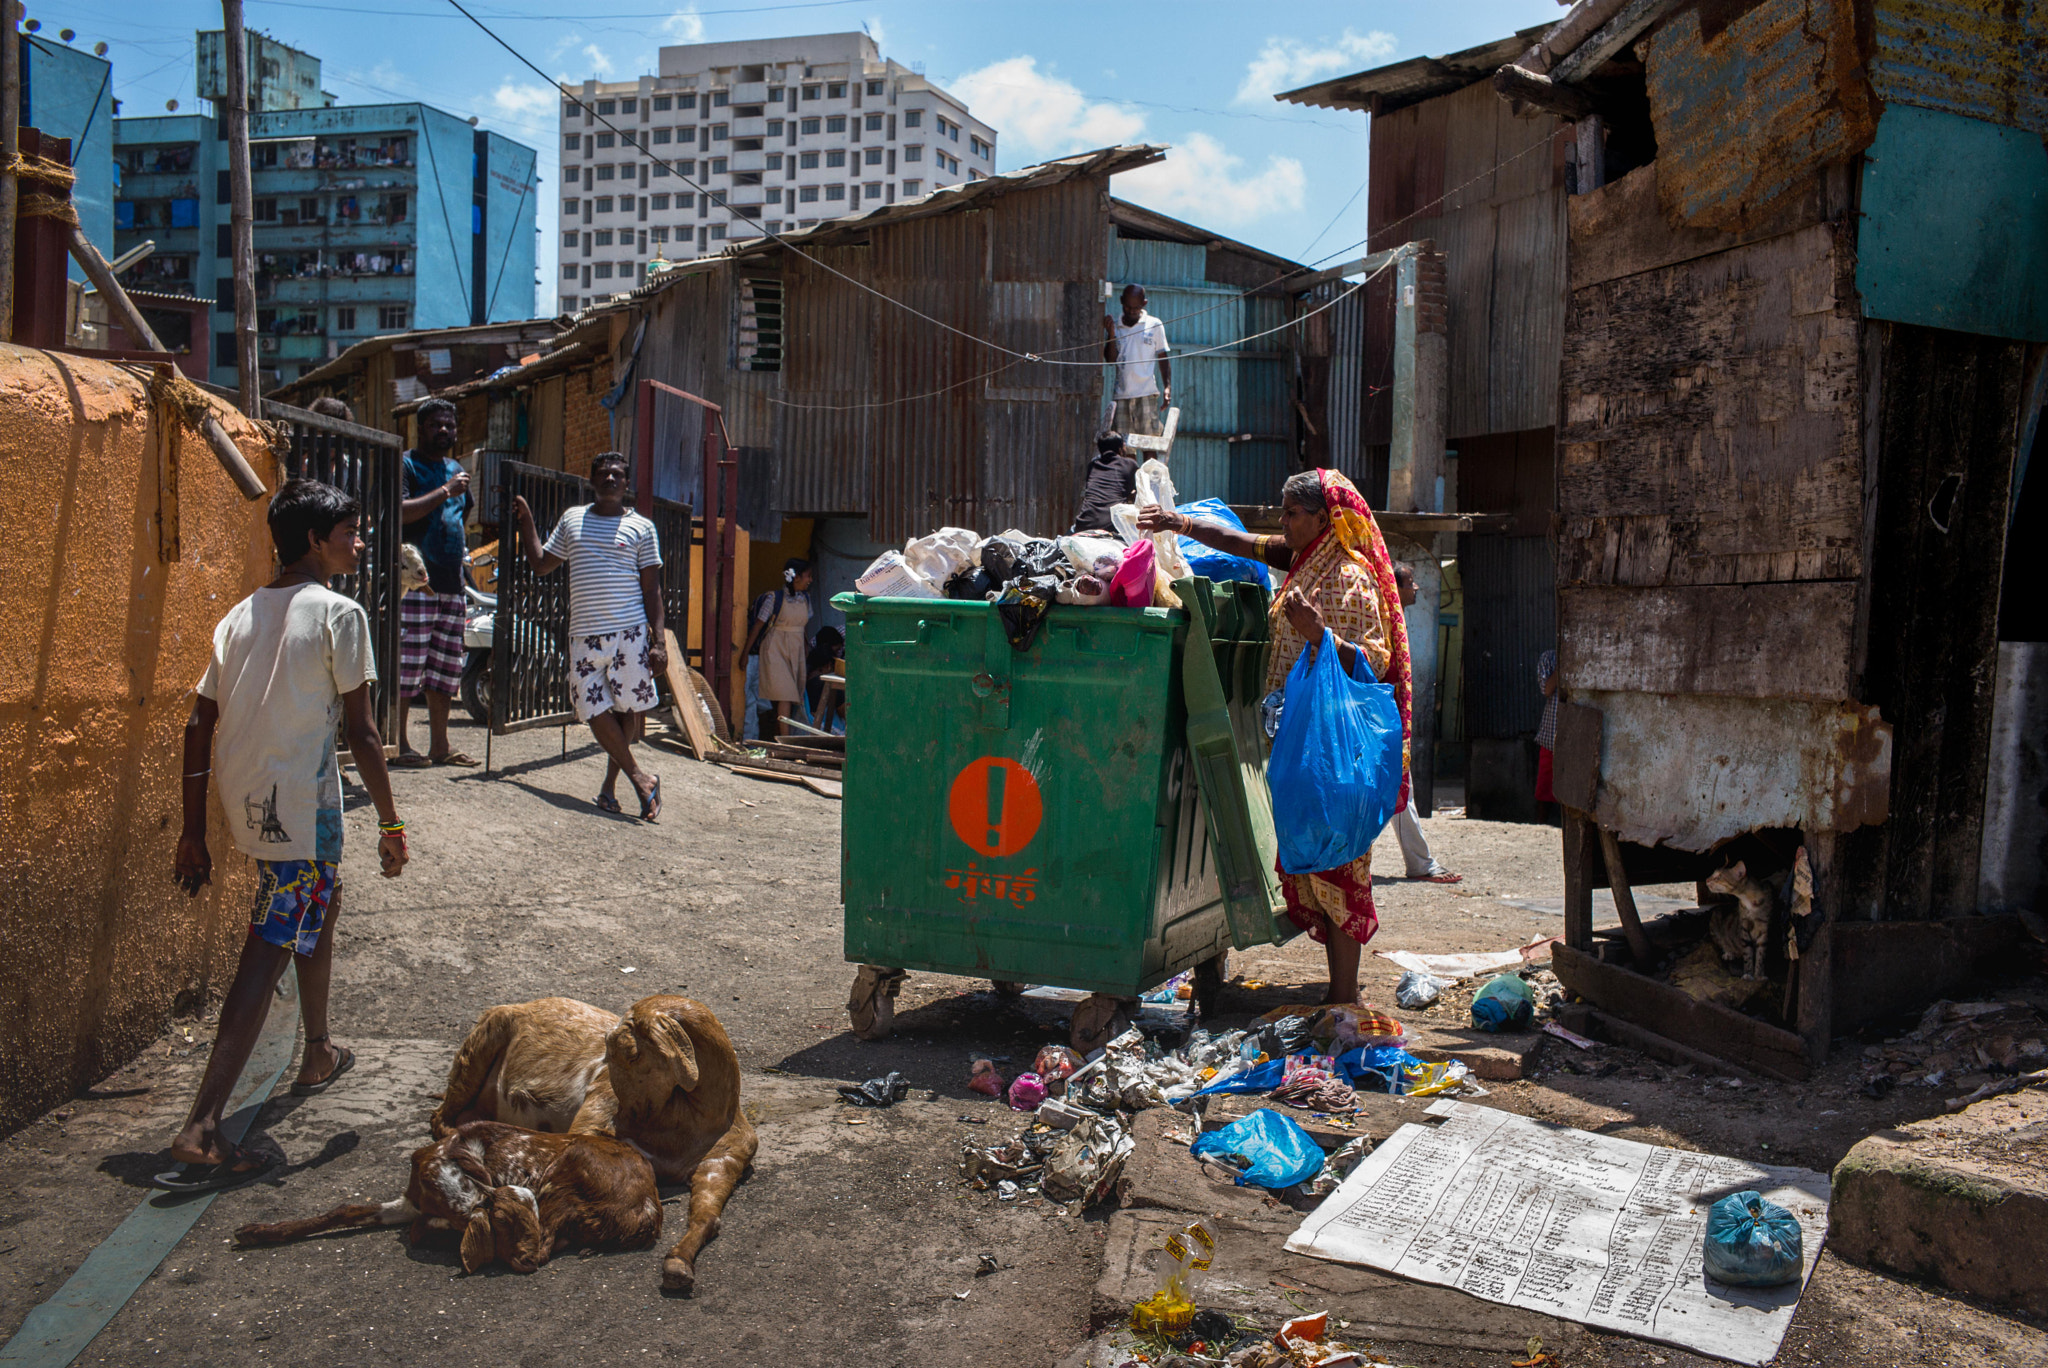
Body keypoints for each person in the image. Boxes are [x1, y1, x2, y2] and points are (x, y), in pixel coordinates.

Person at [161, 480, 408, 1191]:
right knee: (271, 940)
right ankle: (204, 1126)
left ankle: (318, 1049)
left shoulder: (240, 615)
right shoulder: (339, 612)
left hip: (249, 804)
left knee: (313, 908)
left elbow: (197, 723)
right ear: (313, 541)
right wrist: (391, 823)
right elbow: (362, 730)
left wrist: (193, 832)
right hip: (302, 809)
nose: (357, 544)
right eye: (349, 532)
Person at [1139, 468, 1410, 1006]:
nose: (1282, 524)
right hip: (1297, 745)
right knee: (1315, 858)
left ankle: (1344, 996)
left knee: (1342, 864)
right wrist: (1178, 522)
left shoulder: (1349, 577)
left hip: (1334, 749)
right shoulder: (1304, 559)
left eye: (1291, 514)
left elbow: (1375, 664)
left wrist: (1321, 637)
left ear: (1321, 518)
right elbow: (1237, 541)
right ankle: (1338, 991)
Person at [510, 451, 667, 820]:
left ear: (627, 484)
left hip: (629, 633)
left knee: (625, 709)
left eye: (617, 474)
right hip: (584, 636)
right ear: (591, 480)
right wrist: (527, 521)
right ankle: (641, 778)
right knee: (593, 708)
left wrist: (659, 642)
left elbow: (652, 590)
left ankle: (611, 789)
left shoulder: (643, 528)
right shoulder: (572, 520)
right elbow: (541, 563)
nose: (610, 479)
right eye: (603, 473)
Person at [395, 397, 477, 767]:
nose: (444, 431)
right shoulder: (407, 465)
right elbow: (400, 511)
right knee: (407, 666)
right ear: (421, 427)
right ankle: (399, 745)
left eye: (450, 425)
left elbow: (463, 515)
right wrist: (445, 491)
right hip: (415, 585)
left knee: (445, 670)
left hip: (451, 586)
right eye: (436, 425)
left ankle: (440, 746)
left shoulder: (456, 469)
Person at [1388, 562, 1462, 884]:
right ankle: (1420, 864)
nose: (1416, 588)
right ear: (1397, 586)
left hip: (1387, 721)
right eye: (1410, 582)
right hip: (1384, 722)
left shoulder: (1393, 619)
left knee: (1400, 792)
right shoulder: (1387, 620)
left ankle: (1420, 862)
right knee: (1400, 793)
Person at [742, 559, 815, 738]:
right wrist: (745, 653)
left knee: (792, 694)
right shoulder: (773, 599)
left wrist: (805, 646)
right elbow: (757, 627)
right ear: (796, 577)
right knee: (786, 694)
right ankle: (786, 740)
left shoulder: (805, 599)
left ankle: (777, 734)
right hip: (775, 649)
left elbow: (803, 625)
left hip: (796, 649)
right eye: (808, 576)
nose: (810, 580)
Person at [1102, 284, 1171, 437]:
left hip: (1146, 393)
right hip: (1122, 395)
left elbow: (1163, 358)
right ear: (1121, 302)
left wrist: (1167, 387)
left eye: (1136, 308)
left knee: (1149, 443)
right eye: (1128, 308)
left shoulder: (1154, 325)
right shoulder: (1115, 327)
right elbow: (1111, 360)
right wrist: (1111, 335)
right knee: (1125, 447)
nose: (1132, 312)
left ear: (1144, 304)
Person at [1071, 429, 1139, 534]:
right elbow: (1134, 492)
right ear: (1120, 449)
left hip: (1084, 523)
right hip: (1111, 524)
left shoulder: (1093, 465)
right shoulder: (1129, 465)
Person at [806, 625, 846, 733]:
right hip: (828, 729)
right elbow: (849, 716)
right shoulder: (828, 684)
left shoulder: (806, 679)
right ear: (829, 665)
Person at [1536, 649, 1559, 808]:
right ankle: (1541, 826)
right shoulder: (1549, 658)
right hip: (1552, 735)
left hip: (1576, 737)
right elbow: (1547, 690)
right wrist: (1562, 666)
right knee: (1545, 787)